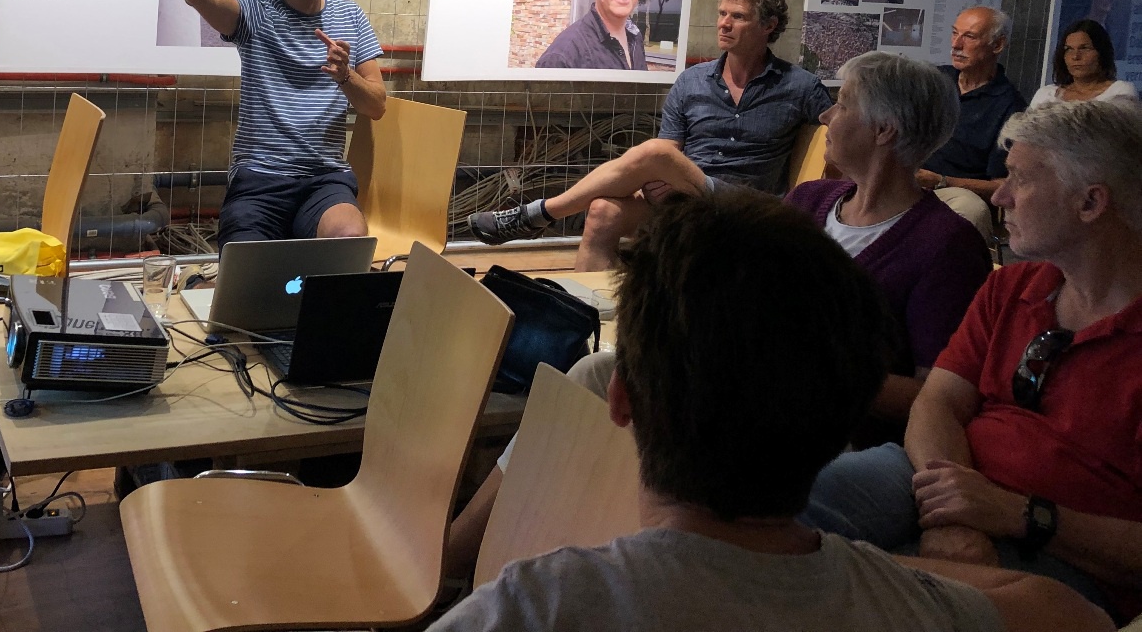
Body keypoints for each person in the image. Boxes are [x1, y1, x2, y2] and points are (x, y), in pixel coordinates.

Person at [431, 191, 1111, 632]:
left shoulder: (529, 606)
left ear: (624, 401)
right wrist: (865, 569)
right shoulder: (913, 606)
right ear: (846, 414)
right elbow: (1073, 614)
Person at [803, 99, 1142, 624]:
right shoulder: (1013, 286)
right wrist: (956, 512)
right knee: (762, 511)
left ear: (1091, 201)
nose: (999, 196)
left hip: (1066, 550)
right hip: (937, 475)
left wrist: (1019, 515)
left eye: (1019, 179)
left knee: (859, 598)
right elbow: (937, 403)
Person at [469, 0, 831, 270]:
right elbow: (669, 149)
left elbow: (844, 131)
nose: (724, 23)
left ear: (769, 25)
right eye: (722, 13)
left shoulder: (799, 86)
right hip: (690, 197)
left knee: (655, 153)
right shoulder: (691, 82)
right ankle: (588, 315)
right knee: (603, 212)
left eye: (738, 17)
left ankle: (536, 215)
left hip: (750, 206)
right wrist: (655, 182)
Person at [139, 0, 385, 243]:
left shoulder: (350, 16)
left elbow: (377, 105)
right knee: (245, 256)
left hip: (324, 179)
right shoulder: (255, 12)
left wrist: (346, 76)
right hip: (260, 177)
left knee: (349, 236)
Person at [786, 52, 992, 440]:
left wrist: (813, 372)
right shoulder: (807, 201)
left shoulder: (947, 247)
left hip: (851, 444)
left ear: (883, 130)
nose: (826, 116)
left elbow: (939, 398)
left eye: (842, 104)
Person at [916, 6, 1026, 220]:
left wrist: (941, 181)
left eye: (969, 37)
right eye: (954, 33)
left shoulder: (1011, 106)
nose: (956, 44)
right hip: (908, 179)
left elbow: (1003, 185)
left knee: (970, 208)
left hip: (955, 192)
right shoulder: (935, 80)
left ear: (997, 45)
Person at [1031, 19, 1137, 105]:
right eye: (1069, 49)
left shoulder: (1119, 92)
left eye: (1084, 48)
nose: (1075, 56)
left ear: (1102, 53)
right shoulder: (1045, 95)